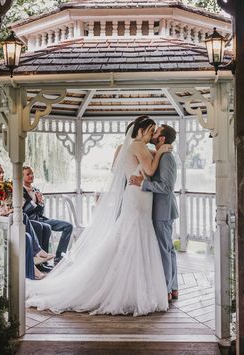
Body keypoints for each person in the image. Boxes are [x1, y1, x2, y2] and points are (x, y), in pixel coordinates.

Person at [26, 117, 172, 315]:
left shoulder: (129, 147)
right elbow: (150, 170)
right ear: (142, 129)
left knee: (130, 237)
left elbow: (123, 168)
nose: (151, 135)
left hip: (137, 196)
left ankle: (131, 286)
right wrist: (161, 152)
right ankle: (132, 289)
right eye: (150, 130)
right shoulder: (138, 146)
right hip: (139, 198)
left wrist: (152, 154)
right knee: (135, 237)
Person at [129, 124, 179, 302]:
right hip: (160, 210)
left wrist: (142, 184)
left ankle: (165, 289)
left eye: (156, 132)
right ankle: (173, 287)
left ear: (162, 138)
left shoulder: (166, 158)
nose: (154, 133)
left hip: (163, 210)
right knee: (168, 249)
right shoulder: (160, 154)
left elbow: (166, 187)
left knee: (164, 250)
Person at [0, 164, 53, 279]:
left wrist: (39, 202)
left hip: (17, 218)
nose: (2, 175)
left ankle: (40, 256)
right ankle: (37, 257)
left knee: (40, 224)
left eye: (2, 172)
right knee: (29, 228)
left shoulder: (4, 188)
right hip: (2, 224)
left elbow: (38, 211)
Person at [22, 166, 73, 265]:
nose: (31, 176)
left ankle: (58, 258)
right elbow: (24, 212)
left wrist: (41, 203)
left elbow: (40, 212)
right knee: (46, 227)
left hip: (41, 219)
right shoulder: (20, 191)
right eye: (28, 174)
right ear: (21, 176)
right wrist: (33, 201)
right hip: (30, 221)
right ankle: (42, 262)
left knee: (68, 226)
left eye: (32, 173)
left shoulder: (36, 189)